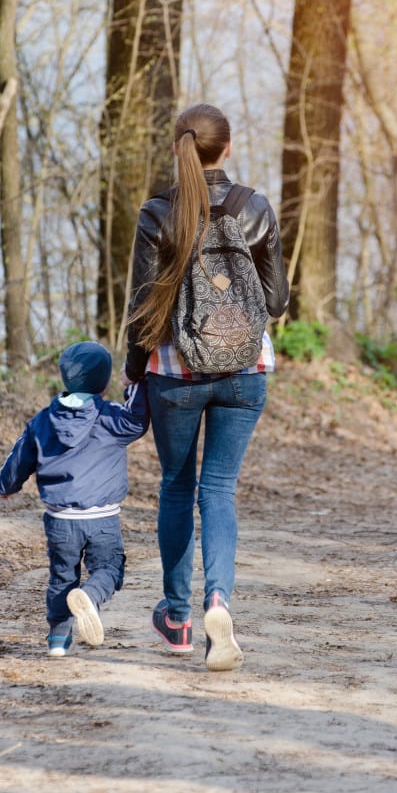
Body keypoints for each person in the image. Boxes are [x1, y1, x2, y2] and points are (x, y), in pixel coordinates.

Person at [123, 103, 289, 671]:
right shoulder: (256, 208)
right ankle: (219, 599)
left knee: (175, 486)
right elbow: (275, 301)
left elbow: (146, 307)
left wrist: (131, 370)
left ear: (179, 148)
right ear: (228, 149)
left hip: (175, 374)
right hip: (245, 372)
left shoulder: (157, 214)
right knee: (218, 491)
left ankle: (177, 618)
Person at [0, 341, 150, 657]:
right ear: (105, 382)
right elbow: (138, 420)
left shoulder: (42, 420)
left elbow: (19, 457)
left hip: (60, 519)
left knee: (61, 576)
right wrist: (137, 383)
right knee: (109, 567)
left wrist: (7, 485)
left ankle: (57, 640)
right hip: (102, 518)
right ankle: (91, 596)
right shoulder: (109, 417)